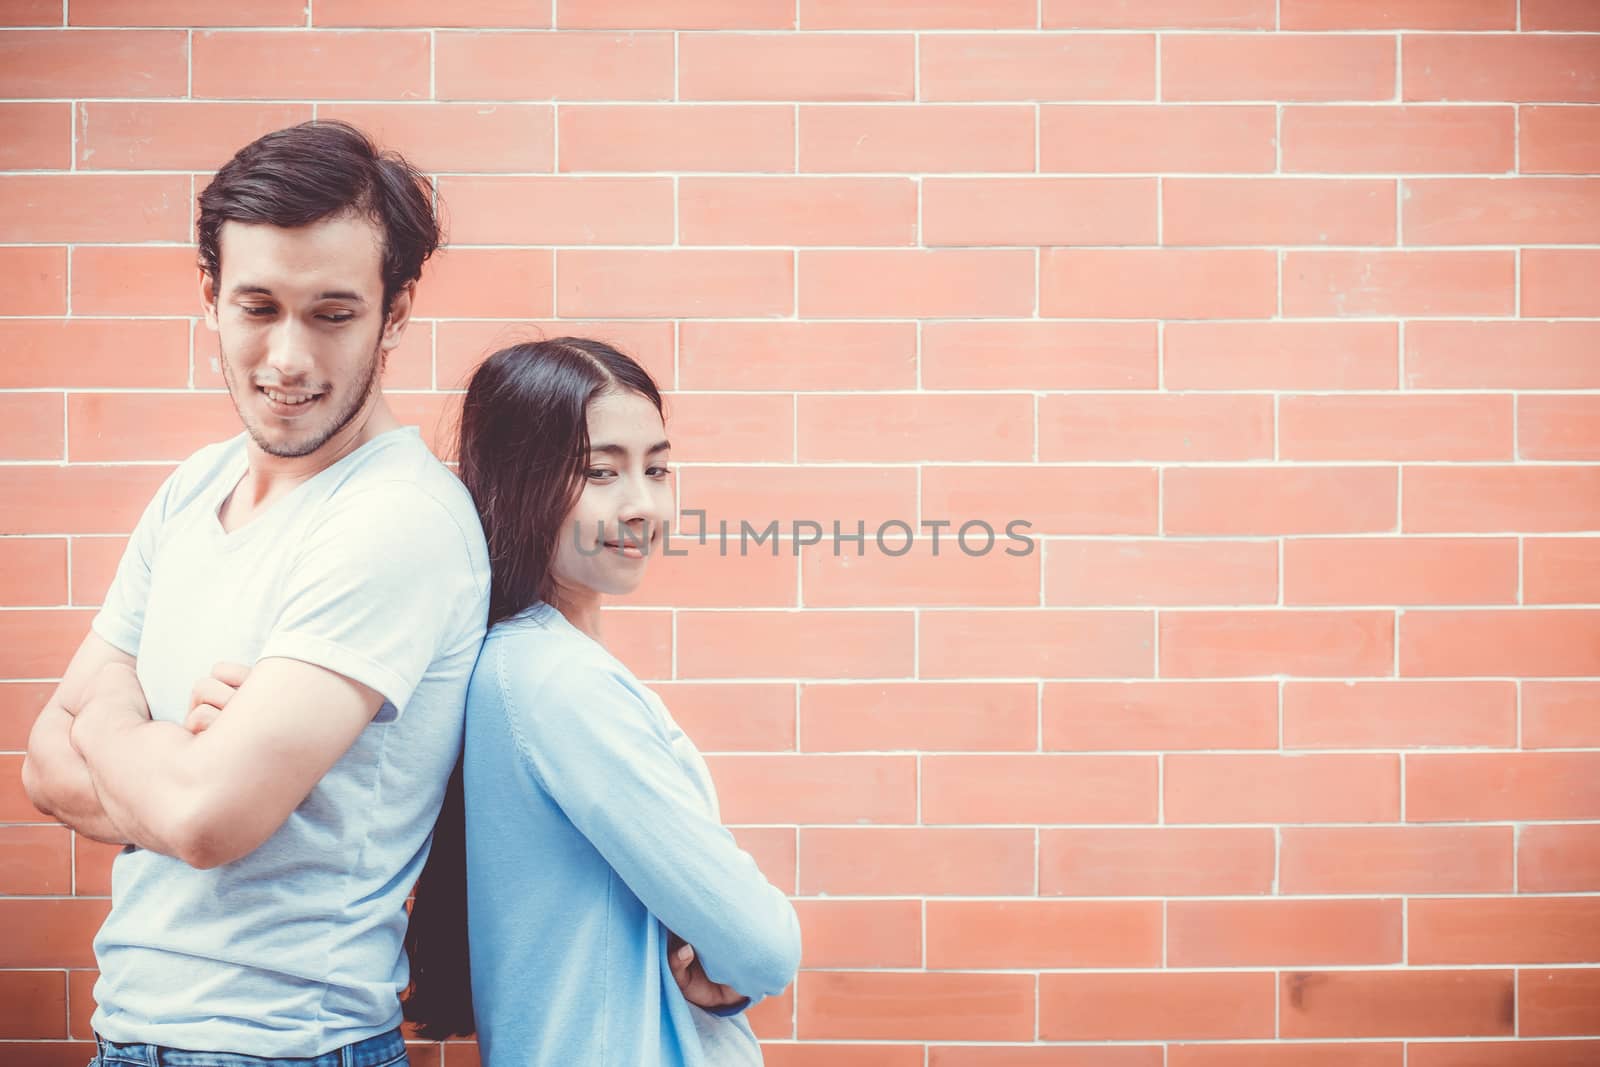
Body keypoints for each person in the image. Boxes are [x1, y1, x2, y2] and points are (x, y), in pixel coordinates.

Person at [20, 121, 490, 1065]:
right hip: (131, 1029)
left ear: (395, 312)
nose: (286, 359)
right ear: (209, 297)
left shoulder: (396, 520)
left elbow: (203, 818)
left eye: (332, 313)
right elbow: (40, 766)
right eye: (258, 305)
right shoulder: (193, 488)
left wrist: (120, 729)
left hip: (286, 1046)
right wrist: (175, 760)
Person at [403, 338, 801, 1065]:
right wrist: (733, 966)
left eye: (656, 468)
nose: (642, 504)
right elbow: (764, 943)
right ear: (519, 482)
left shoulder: (520, 666)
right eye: (601, 471)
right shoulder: (560, 684)